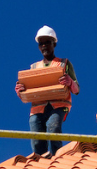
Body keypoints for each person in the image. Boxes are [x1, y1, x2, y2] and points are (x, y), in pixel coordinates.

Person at [15, 26, 80, 157]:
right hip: (38, 107)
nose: (44, 46)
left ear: (54, 44)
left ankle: (57, 157)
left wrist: (70, 82)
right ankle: (41, 161)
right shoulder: (34, 68)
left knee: (53, 126)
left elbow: (77, 89)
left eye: (47, 42)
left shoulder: (64, 63)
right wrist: (20, 91)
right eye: (41, 43)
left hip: (59, 105)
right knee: (35, 129)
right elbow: (27, 92)